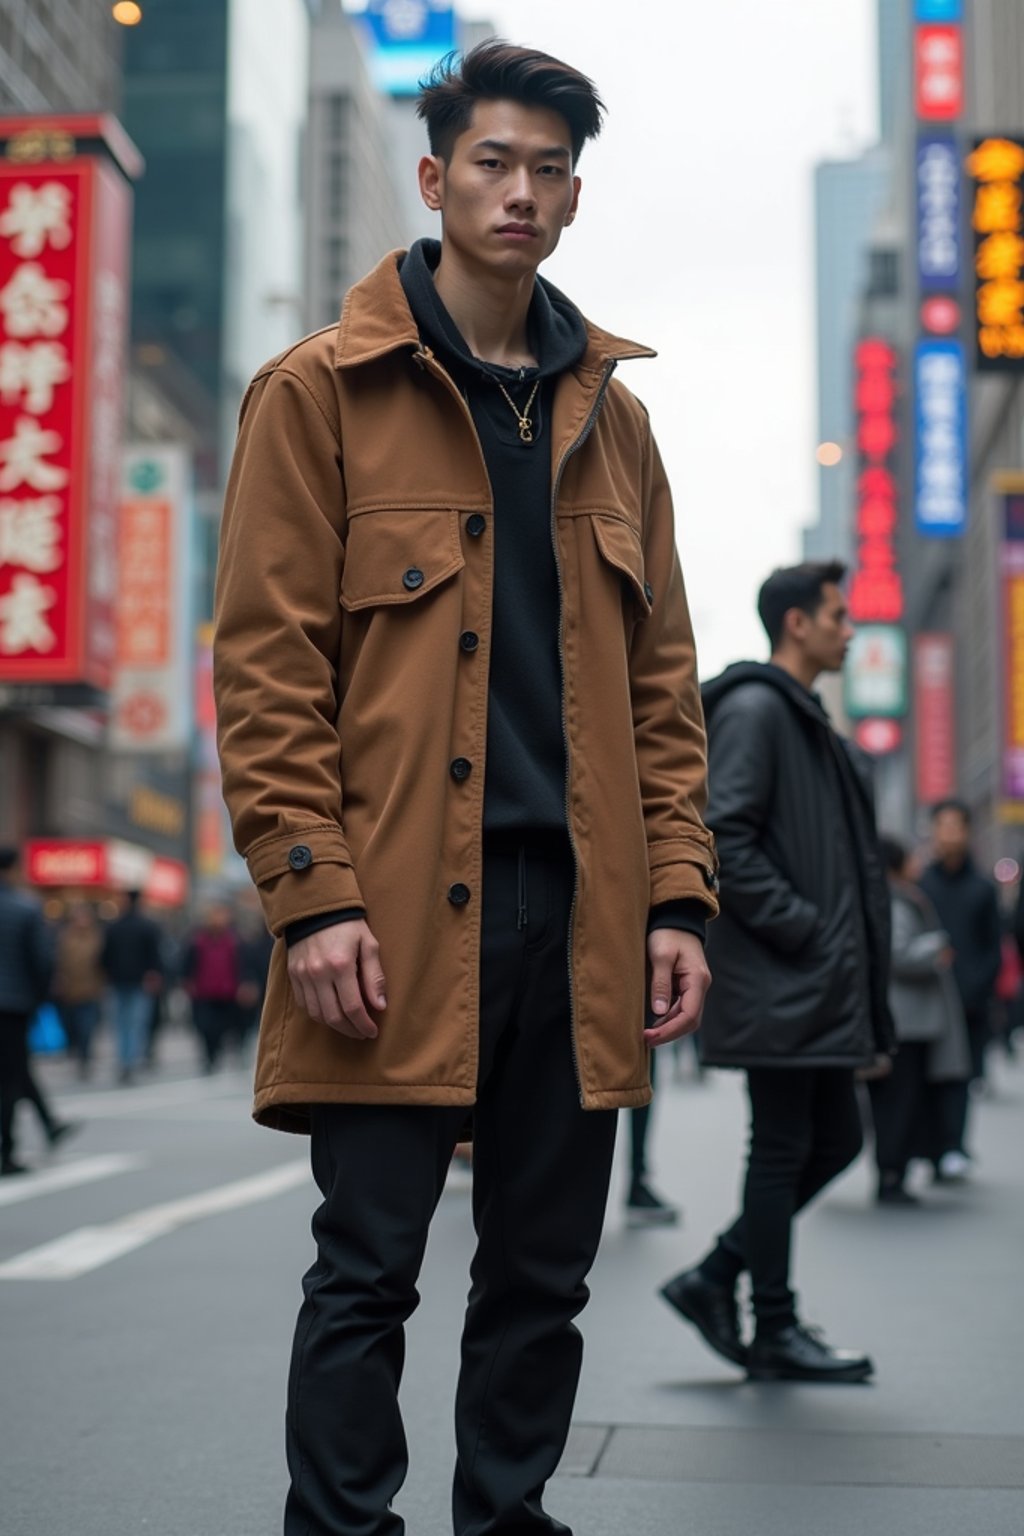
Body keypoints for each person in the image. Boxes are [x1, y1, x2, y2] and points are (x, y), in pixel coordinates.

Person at [214, 41, 718, 1536]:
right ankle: (343, 1527)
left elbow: (662, 690)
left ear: (573, 199)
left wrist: (678, 892)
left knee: (543, 1271)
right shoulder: (320, 394)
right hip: (391, 907)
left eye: (548, 168)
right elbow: (267, 666)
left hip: (582, 916)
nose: (520, 190)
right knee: (369, 1261)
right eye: (492, 162)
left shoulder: (614, 424)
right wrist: (312, 897)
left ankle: (507, 1517)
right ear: (435, 182)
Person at [660, 561, 894, 1384]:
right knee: (787, 1144)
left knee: (835, 1137)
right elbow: (723, 835)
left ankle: (715, 1280)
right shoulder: (760, 711)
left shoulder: (803, 719)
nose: (850, 628)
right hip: (781, 974)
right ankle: (773, 1326)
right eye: (837, 614)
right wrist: (810, 932)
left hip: (803, 978)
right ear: (797, 622)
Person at [870, 836, 969, 1205]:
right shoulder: (897, 901)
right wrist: (937, 946)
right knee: (900, 1102)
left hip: (907, 1020)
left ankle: (894, 1172)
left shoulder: (895, 897)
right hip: (906, 1022)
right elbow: (899, 953)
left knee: (899, 1101)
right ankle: (892, 1175)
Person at [918, 799, 1002, 1177]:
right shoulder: (921, 885)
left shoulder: (983, 888)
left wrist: (975, 989)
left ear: (968, 832)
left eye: (956, 826)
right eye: (943, 825)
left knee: (960, 1078)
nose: (950, 833)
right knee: (925, 1078)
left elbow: (993, 947)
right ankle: (931, 1149)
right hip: (928, 1003)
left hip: (970, 1003)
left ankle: (953, 1148)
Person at [0, 846, 78, 1175]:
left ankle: (47, 1124)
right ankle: (10, 1149)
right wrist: (42, 998)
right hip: (15, 1005)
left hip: (15, 1001)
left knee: (14, 1072)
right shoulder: (27, 908)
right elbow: (42, 961)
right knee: (11, 1076)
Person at [100, 889, 164, 1085]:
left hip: (120, 982)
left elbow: (104, 957)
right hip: (137, 983)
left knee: (122, 1025)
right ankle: (129, 1061)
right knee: (135, 1024)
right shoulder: (147, 926)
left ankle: (125, 1061)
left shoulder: (114, 926)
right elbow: (156, 957)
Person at [181, 903, 243, 1072]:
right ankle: (209, 1055)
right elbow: (187, 964)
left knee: (222, 1028)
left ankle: (216, 1052)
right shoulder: (197, 941)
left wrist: (243, 984)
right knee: (204, 1026)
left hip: (226, 991)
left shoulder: (233, 941)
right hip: (203, 991)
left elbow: (240, 965)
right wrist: (186, 982)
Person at [52, 900, 106, 1079]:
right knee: (71, 1024)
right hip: (70, 989)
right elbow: (57, 960)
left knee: (87, 1027)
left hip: (90, 990)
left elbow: (104, 963)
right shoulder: (64, 937)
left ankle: (85, 1056)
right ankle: (75, 1051)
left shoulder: (97, 937)